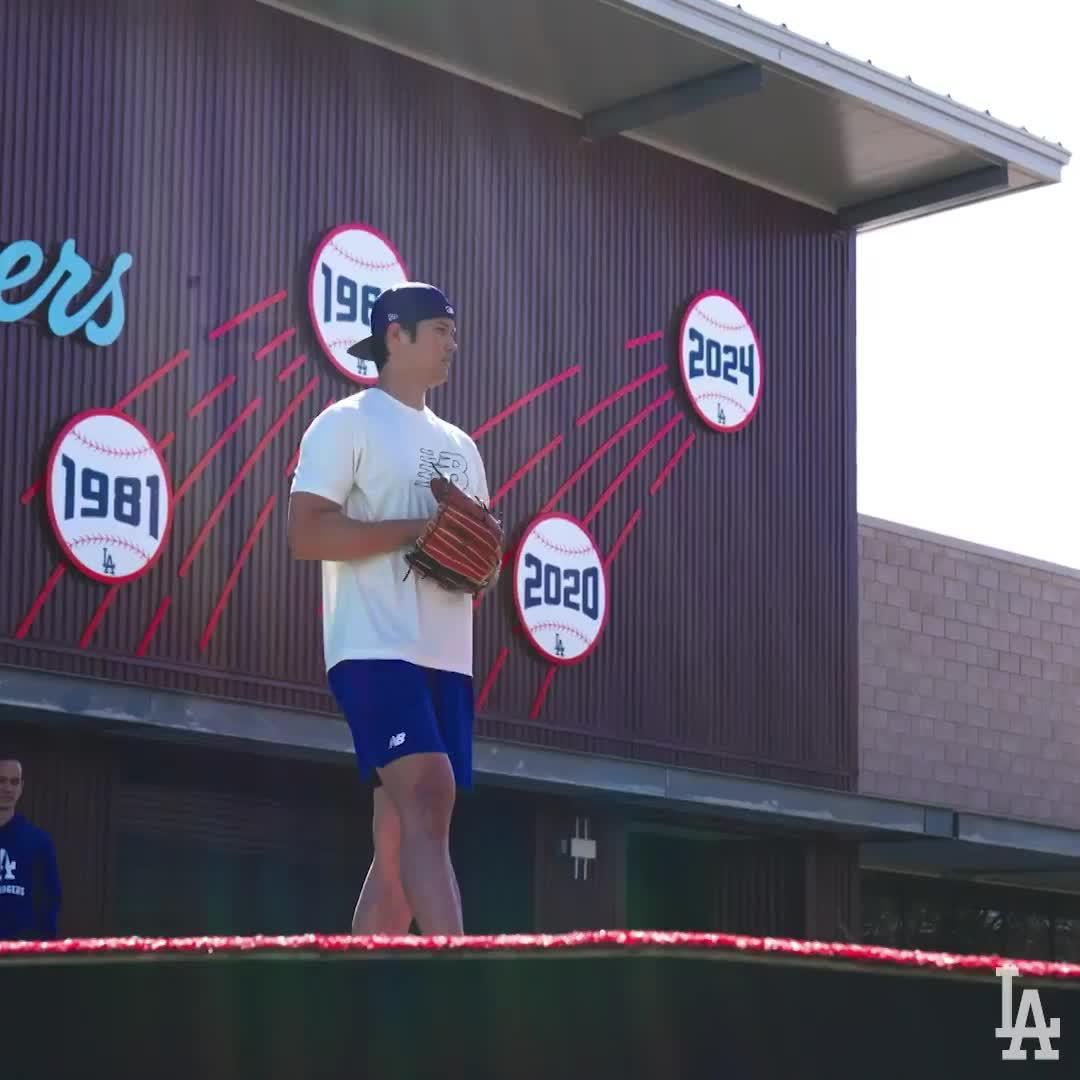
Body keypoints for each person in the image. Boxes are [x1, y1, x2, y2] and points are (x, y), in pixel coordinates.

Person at [287, 282, 492, 937]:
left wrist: (483, 557)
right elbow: (307, 533)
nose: (452, 343)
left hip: (446, 656)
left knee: (399, 848)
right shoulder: (344, 422)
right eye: (440, 329)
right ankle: (461, 986)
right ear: (395, 335)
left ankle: (353, 1010)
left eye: (453, 332)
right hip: (373, 649)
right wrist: (415, 529)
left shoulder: (464, 445)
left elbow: (479, 564)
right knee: (431, 796)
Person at [0, 754, 62, 940]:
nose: (7, 788)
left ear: (21, 787)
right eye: (1, 780)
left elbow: (49, 902)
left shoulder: (39, 842)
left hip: (20, 957)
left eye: (14, 782)